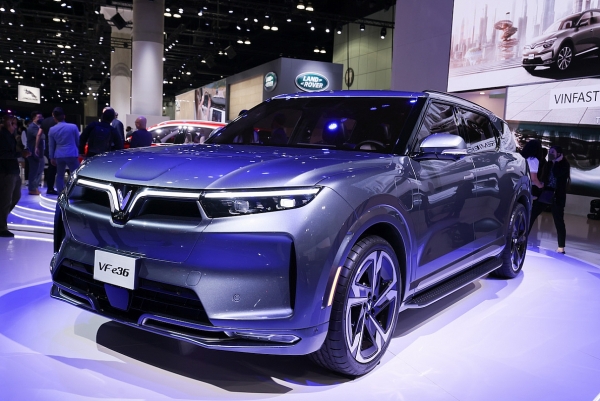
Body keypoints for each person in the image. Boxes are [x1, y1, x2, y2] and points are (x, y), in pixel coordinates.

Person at [529, 145, 571, 254]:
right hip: (546, 193)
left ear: (559, 154)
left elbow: (557, 174)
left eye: (553, 152)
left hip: (557, 195)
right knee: (532, 214)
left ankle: (561, 247)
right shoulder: (548, 164)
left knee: (558, 220)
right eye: (550, 152)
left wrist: (556, 162)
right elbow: (543, 177)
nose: (550, 154)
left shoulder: (564, 165)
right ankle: (523, 237)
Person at [0, 114, 31, 237]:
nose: (16, 126)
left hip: (12, 171)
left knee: (15, 197)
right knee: (5, 200)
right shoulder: (2, 136)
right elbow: (3, 154)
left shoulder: (9, 135)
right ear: (9, 124)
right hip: (6, 172)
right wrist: (20, 154)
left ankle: (1, 222)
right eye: (14, 123)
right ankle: (1, 227)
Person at [48, 107, 80, 194]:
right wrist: (78, 151)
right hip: (72, 153)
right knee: (75, 174)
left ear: (54, 118)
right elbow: (77, 141)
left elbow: (51, 145)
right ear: (64, 116)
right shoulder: (73, 127)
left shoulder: (52, 129)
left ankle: (60, 193)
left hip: (59, 154)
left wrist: (51, 157)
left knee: (60, 175)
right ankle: (74, 192)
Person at [25, 111, 45, 195]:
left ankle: (34, 187)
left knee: (39, 170)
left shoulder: (37, 127)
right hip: (34, 152)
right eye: (38, 117)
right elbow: (42, 136)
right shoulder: (32, 127)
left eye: (41, 117)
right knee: (34, 171)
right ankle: (32, 189)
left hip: (38, 152)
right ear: (34, 118)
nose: (41, 119)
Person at [40, 113, 57, 194]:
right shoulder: (58, 122)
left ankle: (50, 188)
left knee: (51, 168)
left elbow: (39, 134)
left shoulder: (45, 121)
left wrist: (36, 147)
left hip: (48, 147)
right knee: (59, 170)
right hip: (58, 148)